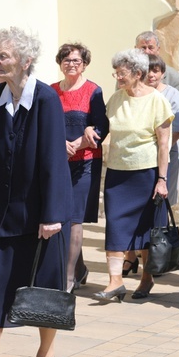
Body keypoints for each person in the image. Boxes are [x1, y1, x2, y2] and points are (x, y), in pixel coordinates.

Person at [0, 26, 72, 357]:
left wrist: (53, 215)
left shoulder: (46, 99)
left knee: (43, 289)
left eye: (3, 56)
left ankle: (45, 351)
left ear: (26, 60)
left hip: (39, 216)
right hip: (2, 212)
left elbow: (53, 159)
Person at [97, 48, 173, 301]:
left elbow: (164, 145)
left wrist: (162, 180)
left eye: (122, 74)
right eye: (116, 73)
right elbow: (102, 129)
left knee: (144, 229)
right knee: (116, 226)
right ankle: (115, 281)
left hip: (146, 175)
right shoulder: (116, 98)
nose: (117, 78)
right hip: (118, 175)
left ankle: (146, 277)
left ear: (138, 74)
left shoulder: (157, 101)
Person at [52, 43, 107, 291]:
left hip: (85, 161)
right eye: (66, 59)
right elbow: (45, 125)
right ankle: (81, 268)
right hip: (58, 162)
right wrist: (59, 143)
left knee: (74, 219)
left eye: (76, 60)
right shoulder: (51, 91)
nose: (71, 64)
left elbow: (101, 127)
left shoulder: (93, 91)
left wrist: (78, 141)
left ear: (84, 64)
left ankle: (68, 278)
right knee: (62, 217)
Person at [146, 54, 179, 205]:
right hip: (144, 156)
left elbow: (177, 129)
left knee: (162, 200)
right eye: (147, 70)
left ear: (162, 73)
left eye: (155, 71)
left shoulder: (172, 93)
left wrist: (162, 150)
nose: (151, 75)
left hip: (167, 152)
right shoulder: (136, 93)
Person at [135, 30, 179, 101]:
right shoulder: (127, 75)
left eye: (150, 48)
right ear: (135, 49)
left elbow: (177, 109)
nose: (147, 52)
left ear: (158, 50)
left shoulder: (174, 78)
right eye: (143, 48)